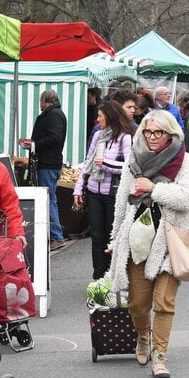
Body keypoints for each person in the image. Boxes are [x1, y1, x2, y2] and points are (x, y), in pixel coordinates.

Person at [105, 110, 189, 378]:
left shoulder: (184, 161)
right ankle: (142, 335)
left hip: (171, 241)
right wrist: (115, 239)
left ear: (170, 133)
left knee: (164, 302)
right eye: (147, 132)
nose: (152, 137)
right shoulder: (133, 160)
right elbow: (122, 203)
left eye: (158, 132)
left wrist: (153, 189)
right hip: (137, 241)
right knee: (137, 303)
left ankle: (160, 356)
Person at [74, 100, 134, 279]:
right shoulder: (98, 136)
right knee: (97, 237)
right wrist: (78, 189)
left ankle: (113, 276)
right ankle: (98, 277)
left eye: (100, 116)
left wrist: (106, 164)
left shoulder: (125, 137)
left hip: (113, 194)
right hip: (94, 192)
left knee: (112, 236)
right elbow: (88, 162)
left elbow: (129, 167)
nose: (97, 119)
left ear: (109, 116)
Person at [31, 90, 68, 250]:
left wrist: (35, 144)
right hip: (50, 162)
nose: (40, 104)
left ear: (46, 101)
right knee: (50, 199)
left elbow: (54, 137)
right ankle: (55, 235)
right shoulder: (56, 114)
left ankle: (57, 237)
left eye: (41, 101)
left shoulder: (54, 115)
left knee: (49, 200)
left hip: (48, 163)